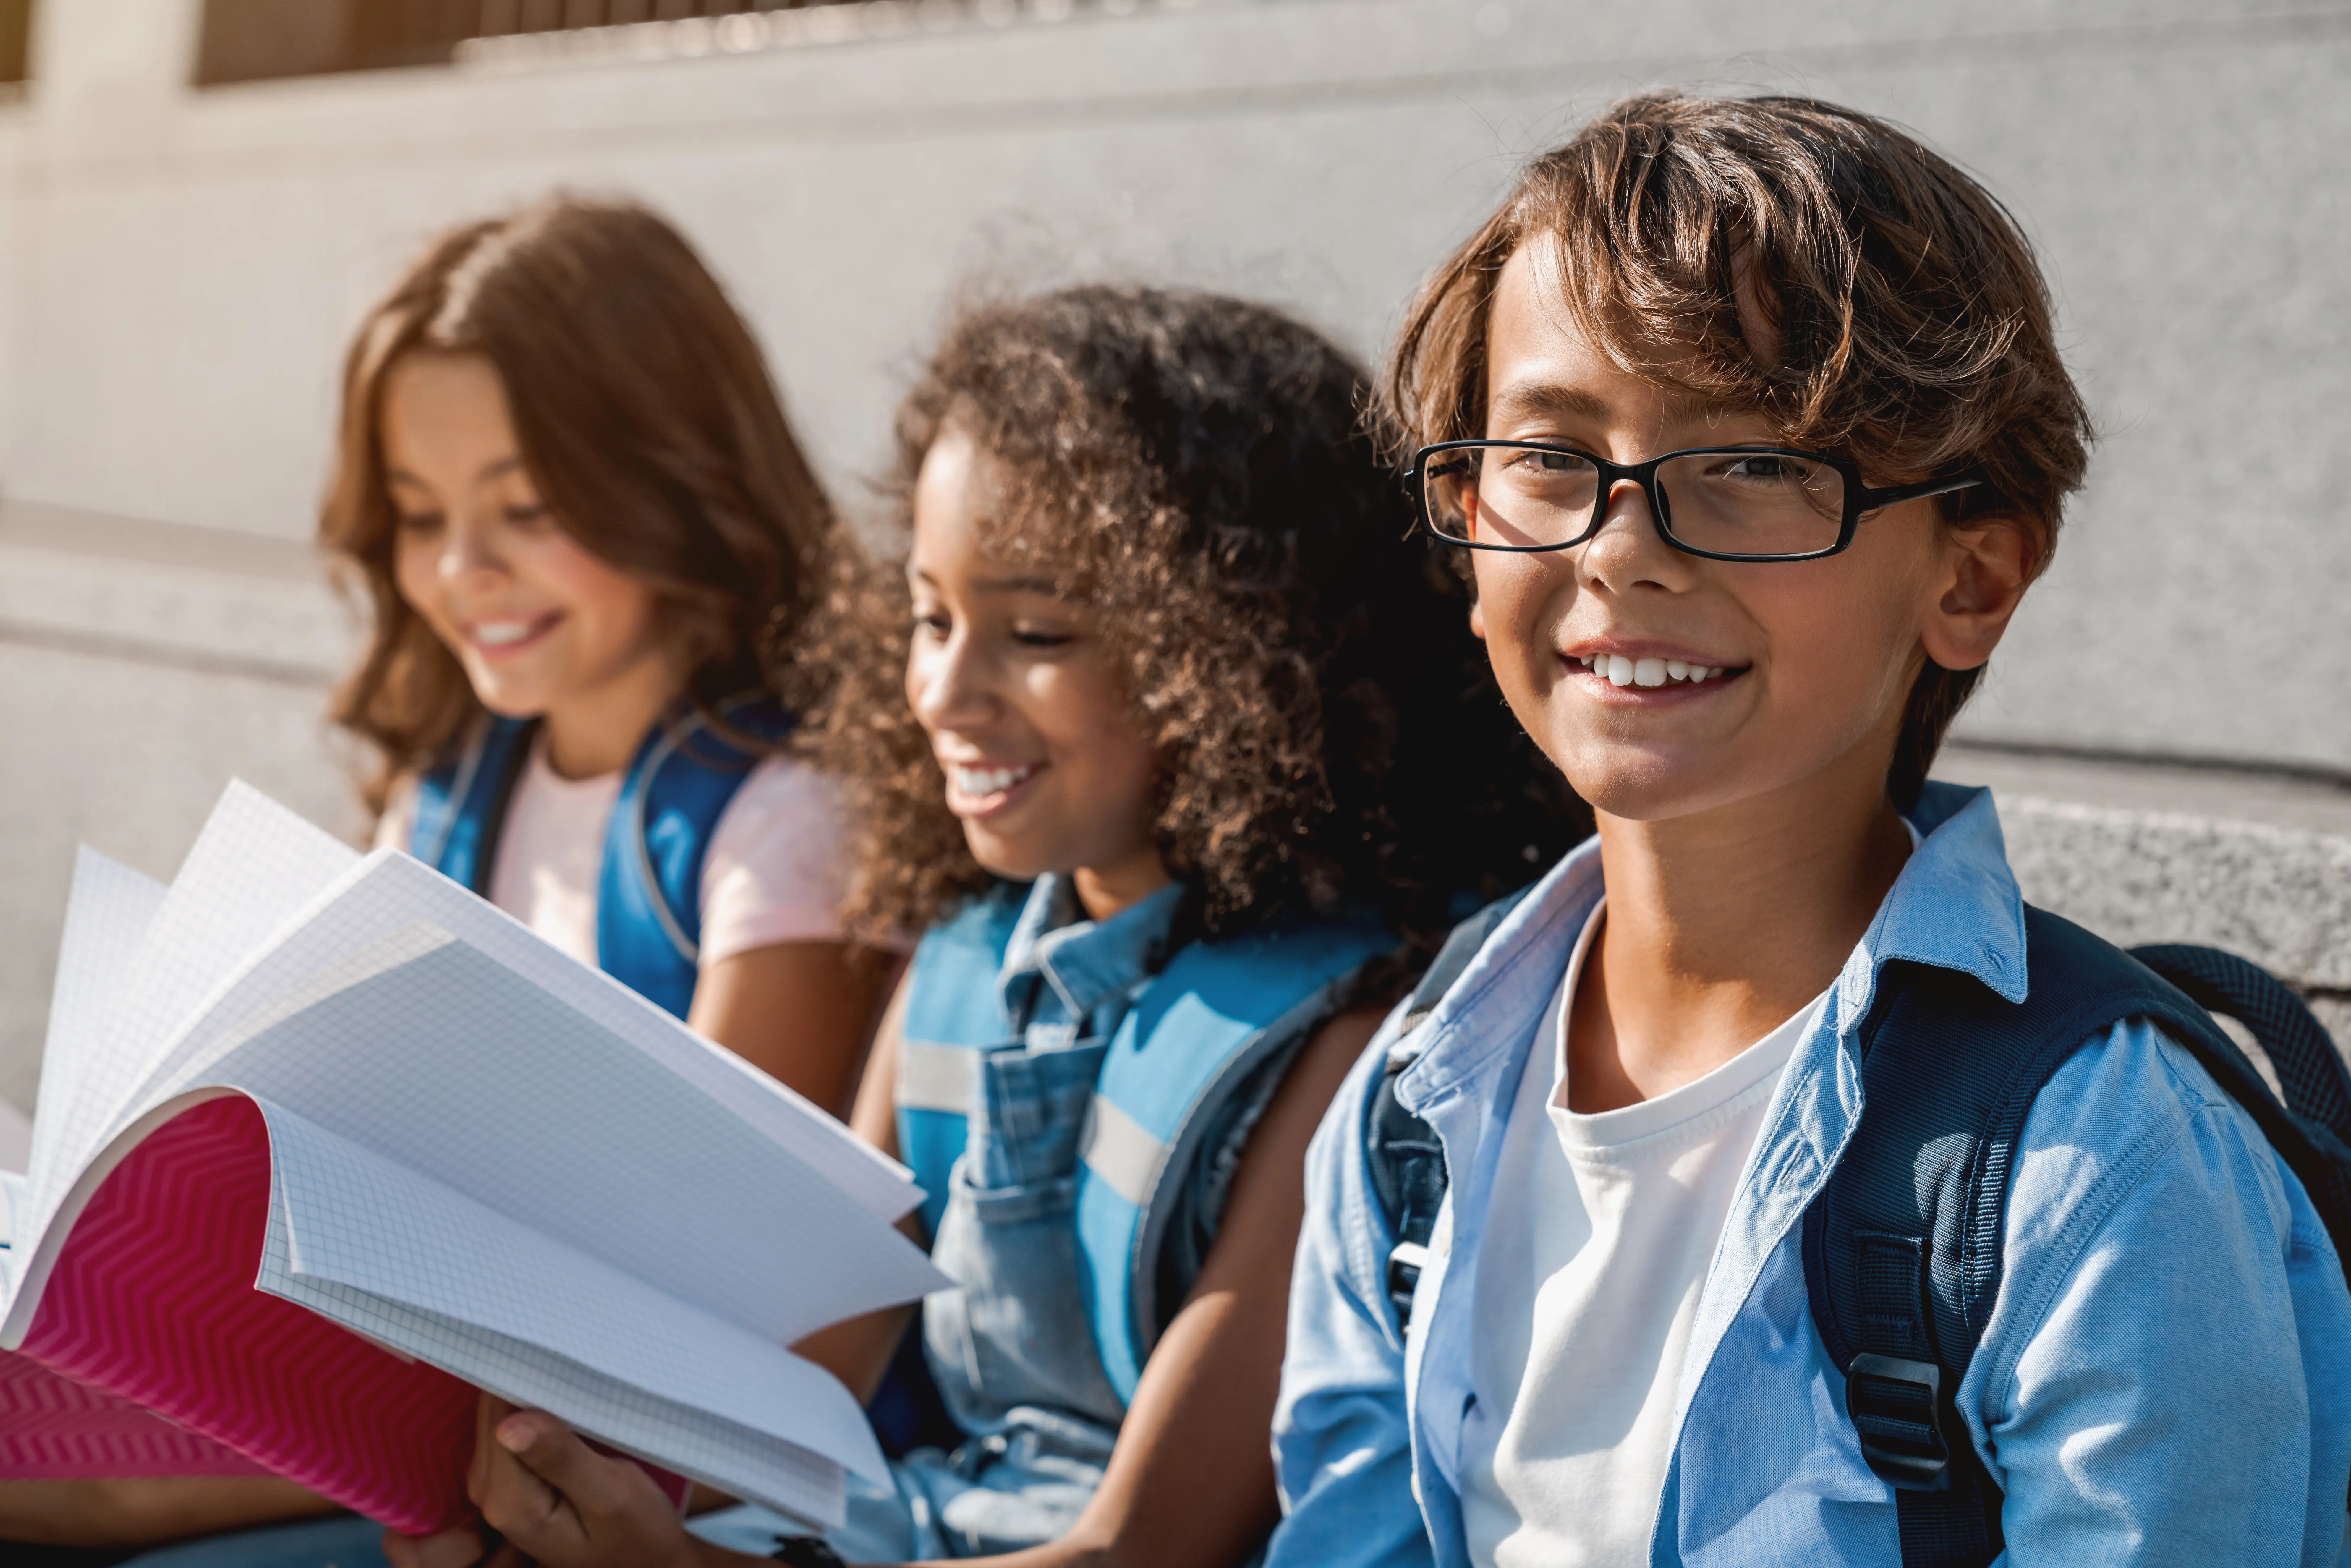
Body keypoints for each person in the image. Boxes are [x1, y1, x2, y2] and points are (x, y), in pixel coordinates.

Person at [1269, 92, 2351, 1568]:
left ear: (1970, 578)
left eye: (1759, 463)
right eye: (1545, 457)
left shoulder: (2093, 1169)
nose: (1618, 549)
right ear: (1463, 519)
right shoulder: (1418, 1094)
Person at [382, 284, 1587, 1568]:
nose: (946, 692)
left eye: (1036, 633)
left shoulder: (1349, 1030)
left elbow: (1143, 1548)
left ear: (1234, 650)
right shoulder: (962, 952)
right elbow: (786, 1379)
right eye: (930, 618)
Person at [0, 199, 893, 1567]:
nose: (461, 572)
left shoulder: (783, 823)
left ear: (673, 478)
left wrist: (153, 1495)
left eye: (528, 510)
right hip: (374, 1413)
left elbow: (720, 1346)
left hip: (591, 1482)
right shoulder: (456, 783)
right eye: (418, 516)